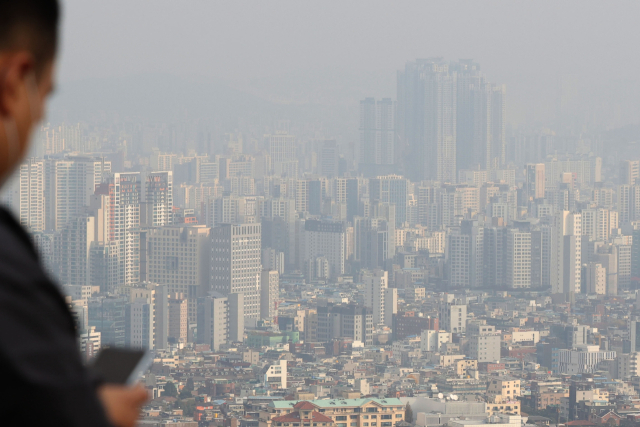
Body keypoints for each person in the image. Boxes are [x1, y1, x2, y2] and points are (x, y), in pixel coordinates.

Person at [0, 1, 149, 426]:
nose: (42, 116)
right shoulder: (8, 274)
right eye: (43, 95)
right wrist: (96, 415)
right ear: (14, 84)